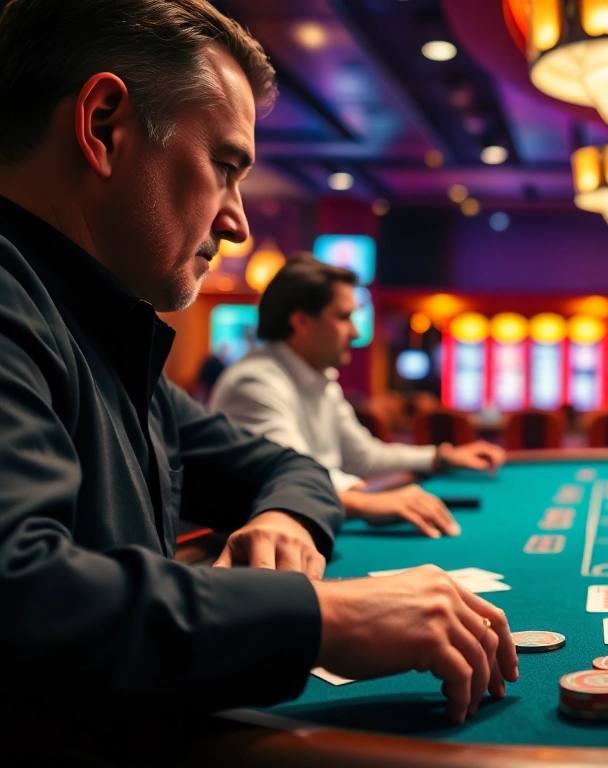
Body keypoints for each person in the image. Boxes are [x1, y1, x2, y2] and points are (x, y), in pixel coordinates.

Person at [0, 0, 515, 735]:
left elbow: (291, 469)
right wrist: (323, 614)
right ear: (104, 126)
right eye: (224, 166)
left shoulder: (104, 339)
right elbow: (22, 602)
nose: (239, 221)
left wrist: (283, 515)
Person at [211, 258, 506, 539]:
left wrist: (440, 456)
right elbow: (291, 476)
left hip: (312, 523)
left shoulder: (320, 378)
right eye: (344, 317)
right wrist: (368, 503)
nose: (354, 331)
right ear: (301, 321)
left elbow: (365, 456)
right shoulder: (254, 382)